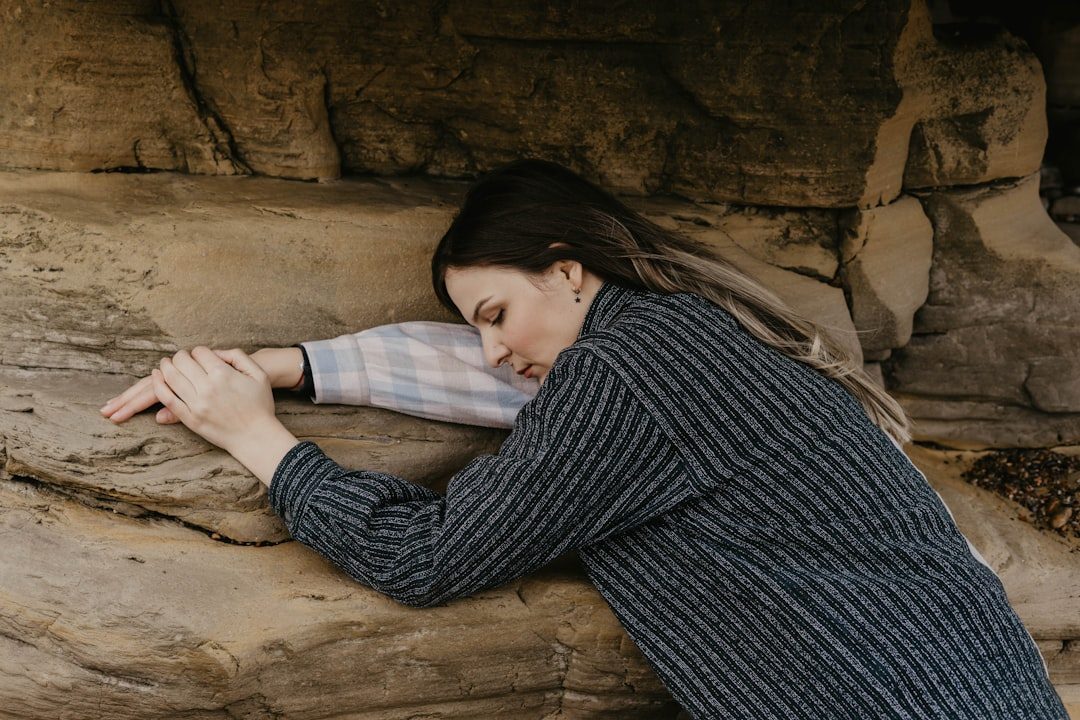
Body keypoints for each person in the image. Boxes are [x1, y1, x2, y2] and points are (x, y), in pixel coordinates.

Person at [100, 159, 1069, 719]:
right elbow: (464, 371)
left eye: (494, 314)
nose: (490, 352)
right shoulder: (683, 326)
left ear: (567, 272)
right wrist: (288, 363)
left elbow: (428, 556)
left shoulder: (625, 376)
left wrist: (258, 438)